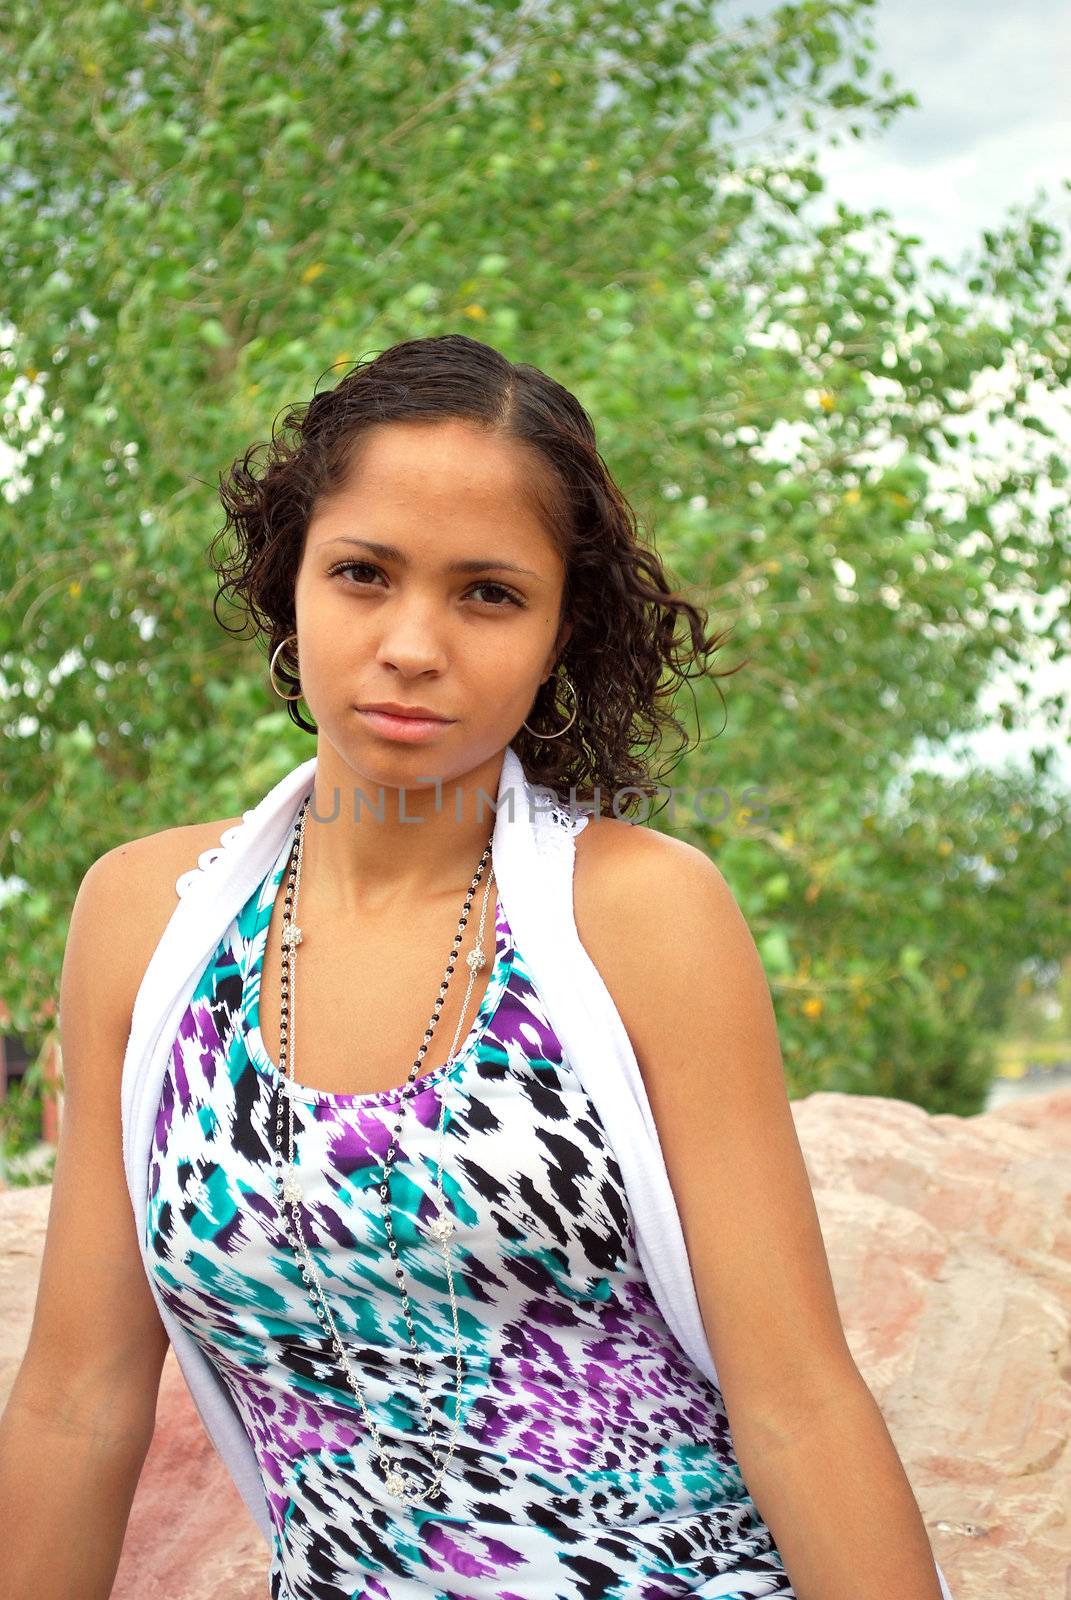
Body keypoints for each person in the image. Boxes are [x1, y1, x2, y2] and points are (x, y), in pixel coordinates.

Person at [0, 334, 953, 1600]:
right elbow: (79, 1398)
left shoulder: (643, 913)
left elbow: (797, 1402)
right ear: (291, 582)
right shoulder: (147, 918)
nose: (411, 642)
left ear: (563, 628)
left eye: (488, 593)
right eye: (363, 573)